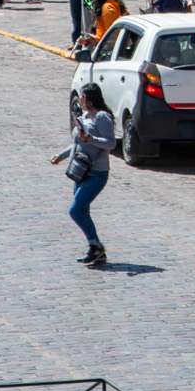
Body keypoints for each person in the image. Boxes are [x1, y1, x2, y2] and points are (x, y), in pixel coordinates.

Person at [52, 82, 114, 269]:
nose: (79, 99)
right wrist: (62, 155)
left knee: (76, 210)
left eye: (81, 96)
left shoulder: (102, 117)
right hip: (81, 171)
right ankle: (96, 250)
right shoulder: (84, 117)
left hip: (96, 172)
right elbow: (78, 142)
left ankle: (96, 246)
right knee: (83, 210)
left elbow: (110, 143)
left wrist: (91, 139)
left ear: (87, 97)